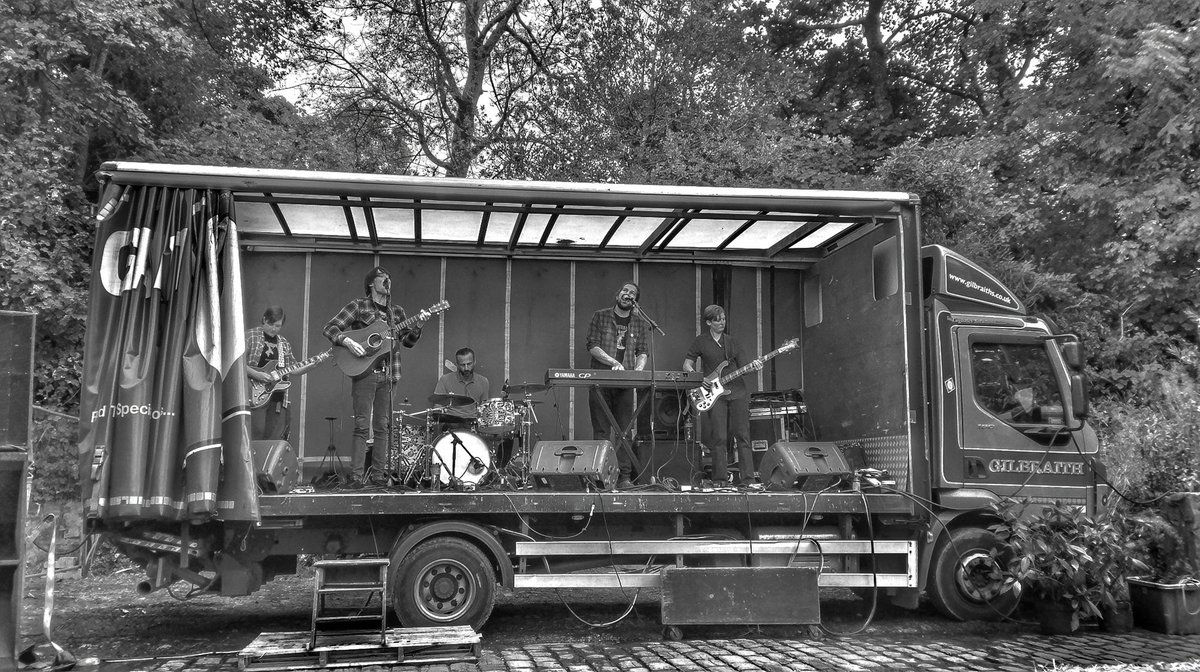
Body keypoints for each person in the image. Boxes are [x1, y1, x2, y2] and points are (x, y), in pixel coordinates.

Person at [324, 266, 429, 485]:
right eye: (383, 278)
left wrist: (418, 324)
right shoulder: (359, 306)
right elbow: (330, 328)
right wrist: (348, 342)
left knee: (383, 426)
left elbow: (408, 342)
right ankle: (356, 477)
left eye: (390, 278)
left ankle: (379, 476)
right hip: (365, 372)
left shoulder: (396, 312)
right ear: (372, 283)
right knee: (363, 426)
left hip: (389, 374)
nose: (388, 281)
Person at [683, 304, 761, 486]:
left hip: (738, 392)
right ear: (709, 322)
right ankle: (720, 480)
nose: (721, 323)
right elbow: (687, 364)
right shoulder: (701, 341)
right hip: (715, 394)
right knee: (719, 437)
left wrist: (755, 366)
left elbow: (745, 367)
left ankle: (748, 480)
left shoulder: (732, 342)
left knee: (743, 436)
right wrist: (699, 378)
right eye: (717, 320)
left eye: (724, 319)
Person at [585, 281, 648, 488]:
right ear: (618, 294)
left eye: (632, 293)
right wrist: (614, 362)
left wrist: (637, 371)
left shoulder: (639, 322)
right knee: (601, 431)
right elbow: (592, 346)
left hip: (625, 383)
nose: (627, 294)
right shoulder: (600, 316)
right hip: (601, 381)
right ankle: (599, 477)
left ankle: (624, 477)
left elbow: (643, 351)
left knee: (624, 431)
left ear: (635, 301)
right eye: (625, 291)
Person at [245, 306, 295, 441]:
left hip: (276, 396)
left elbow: (293, 368)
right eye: (271, 324)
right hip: (254, 393)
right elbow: (236, 364)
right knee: (255, 434)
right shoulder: (251, 335)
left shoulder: (283, 343)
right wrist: (257, 375)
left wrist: (312, 364)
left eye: (278, 326)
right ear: (264, 320)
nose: (274, 328)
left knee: (272, 438)